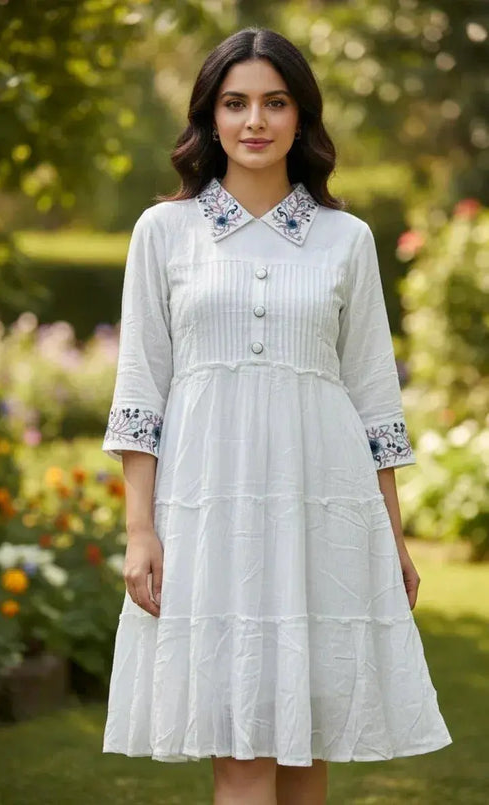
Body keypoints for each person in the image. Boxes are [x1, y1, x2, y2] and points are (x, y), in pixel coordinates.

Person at [101, 26, 453, 805]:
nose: (254, 121)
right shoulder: (163, 233)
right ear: (210, 118)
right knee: (243, 754)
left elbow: (373, 403)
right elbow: (139, 392)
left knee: (306, 748)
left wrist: (392, 541)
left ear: (301, 117)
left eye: (274, 102)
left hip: (324, 514)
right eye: (235, 103)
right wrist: (140, 529)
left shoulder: (346, 239)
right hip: (207, 515)